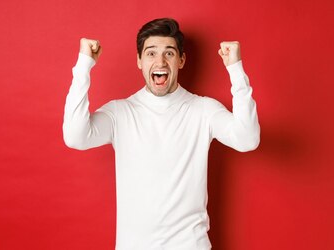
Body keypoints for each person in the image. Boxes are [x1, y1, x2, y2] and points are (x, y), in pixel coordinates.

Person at [63, 18, 260, 250]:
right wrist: (84, 64)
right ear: (139, 61)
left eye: (169, 53)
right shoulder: (120, 112)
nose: (160, 61)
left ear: (181, 60)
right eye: (151, 53)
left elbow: (248, 139)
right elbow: (76, 136)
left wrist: (236, 69)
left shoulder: (204, 110)